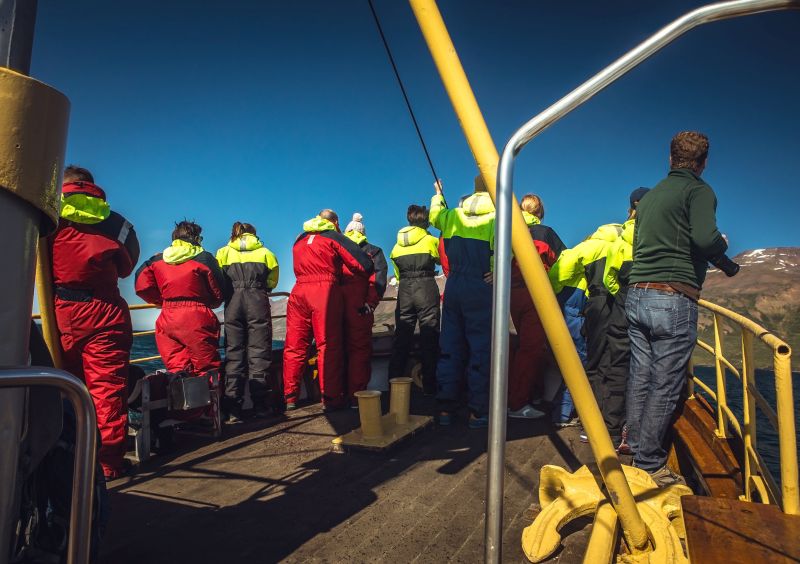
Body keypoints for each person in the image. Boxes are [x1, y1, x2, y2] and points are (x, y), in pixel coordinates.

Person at [627, 131, 739, 487]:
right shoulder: (699, 190)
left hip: (637, 295)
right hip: (672, 297)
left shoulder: (651, 197)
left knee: (640, 375)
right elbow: (705, 238)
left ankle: (631, 447)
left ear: (671, 158)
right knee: (665, 383)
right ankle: (649, 463)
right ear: (703, 163)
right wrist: (726, 259)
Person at [51, 165, 140, 480]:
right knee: (107, 392)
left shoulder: (47, 212)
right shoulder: (116, 223)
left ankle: (69, 460)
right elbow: (128, 267)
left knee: (64, 389)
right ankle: (106, 466)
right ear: (91, 186)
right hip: (104, 313)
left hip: (59, 313)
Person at [282, 209, 374, 410]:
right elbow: (363, 263)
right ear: (336, 222)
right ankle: (330, 398)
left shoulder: (300, 238)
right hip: (323, 291)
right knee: (328, 345)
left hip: (298, 291)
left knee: (294, 345)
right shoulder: (333, 236)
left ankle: (290, 397)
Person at [430, 176, 494, 428]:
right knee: (481, 348)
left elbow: (435, 214)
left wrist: (438, 193)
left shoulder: (452, 216)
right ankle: (477, 412)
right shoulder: (498, 218)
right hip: (481, 284)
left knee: (450, 346)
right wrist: (495, 269)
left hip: (454, 283)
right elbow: (507, 249)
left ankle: (445, 409)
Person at [135, 221, 225, 378]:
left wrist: (162, 300)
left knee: (177, 370)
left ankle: (181, 401)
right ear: (195, 237)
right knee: (207, 369)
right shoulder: (204, 258)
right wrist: (207, 303)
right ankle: (209, 402)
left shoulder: (157, 259)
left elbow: (141, 284)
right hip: (197, 317)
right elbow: (219, 290)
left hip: (168, 318)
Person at [508, 194, 566, 419]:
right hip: (535, 294)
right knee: (532, 349)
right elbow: (563, 264)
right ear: (539, 212)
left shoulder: (506, 229)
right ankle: (517, 404)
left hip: (508, 294)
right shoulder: (545, 233)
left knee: (512, 348)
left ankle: (517, 396)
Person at [216, 221, 279, 421]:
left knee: (234, 353)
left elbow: (217, 280)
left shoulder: (223, 252)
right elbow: (272, 281)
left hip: (233, 302)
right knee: (259, 353)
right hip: (257, 300)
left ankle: (233, 408)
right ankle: (260, 405)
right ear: (254, 234)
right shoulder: (266, 253)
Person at [601, 187, 649, 453]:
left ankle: (610, 427)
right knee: (645, 367)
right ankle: (636, 433)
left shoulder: (621, 240)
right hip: (650, 299)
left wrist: (620, 296)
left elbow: (609, 277)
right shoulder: (658, 234)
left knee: (617, 363)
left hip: (623, 301)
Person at [387, 205, 441, 395]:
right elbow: (442, 260)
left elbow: (397, 274)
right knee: (430, 335)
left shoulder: (395, 247)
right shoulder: (430, 240)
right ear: (425, 221)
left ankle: (393, 385)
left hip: (405, 290)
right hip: (425, 287)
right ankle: (430, 386)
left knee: (402, 337)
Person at [342, 213, 388, 404]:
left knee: (336, 349)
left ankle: (336, 395)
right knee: (360, 350)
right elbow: (378, 281)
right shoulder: (374, 251)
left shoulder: (338, 249)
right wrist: (370, 304)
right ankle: (357, 396)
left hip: (337, 306)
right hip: (361, 307)